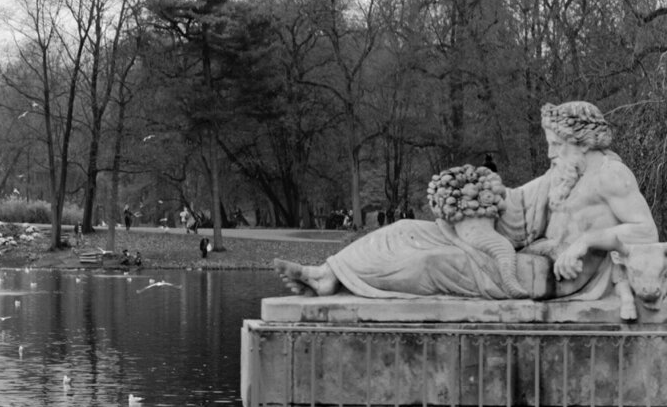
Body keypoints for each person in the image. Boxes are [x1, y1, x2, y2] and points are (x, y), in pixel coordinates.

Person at [272, 101, 658, 302]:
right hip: (530, 254)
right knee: (406, 229)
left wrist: (585, 242)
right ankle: (330, 274)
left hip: (548, 275)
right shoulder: (563, 174)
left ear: (581, 143)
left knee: (432, 263)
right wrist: (472, 191)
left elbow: (646, 231)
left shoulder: (610, 174)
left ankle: (342, 280)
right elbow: (518, 205)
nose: (550, 152)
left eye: (556, 144)